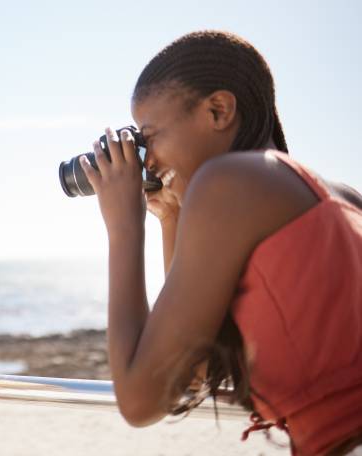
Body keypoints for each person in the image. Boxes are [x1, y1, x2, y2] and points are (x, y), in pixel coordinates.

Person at [79, 31, 362, 455]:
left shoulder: (229, 183)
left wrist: (123, 228)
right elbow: (188, 371)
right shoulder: (341, 196)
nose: (147, 160)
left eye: (150, 136)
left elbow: (140, 400)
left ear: (218, 110)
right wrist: (170, 218)